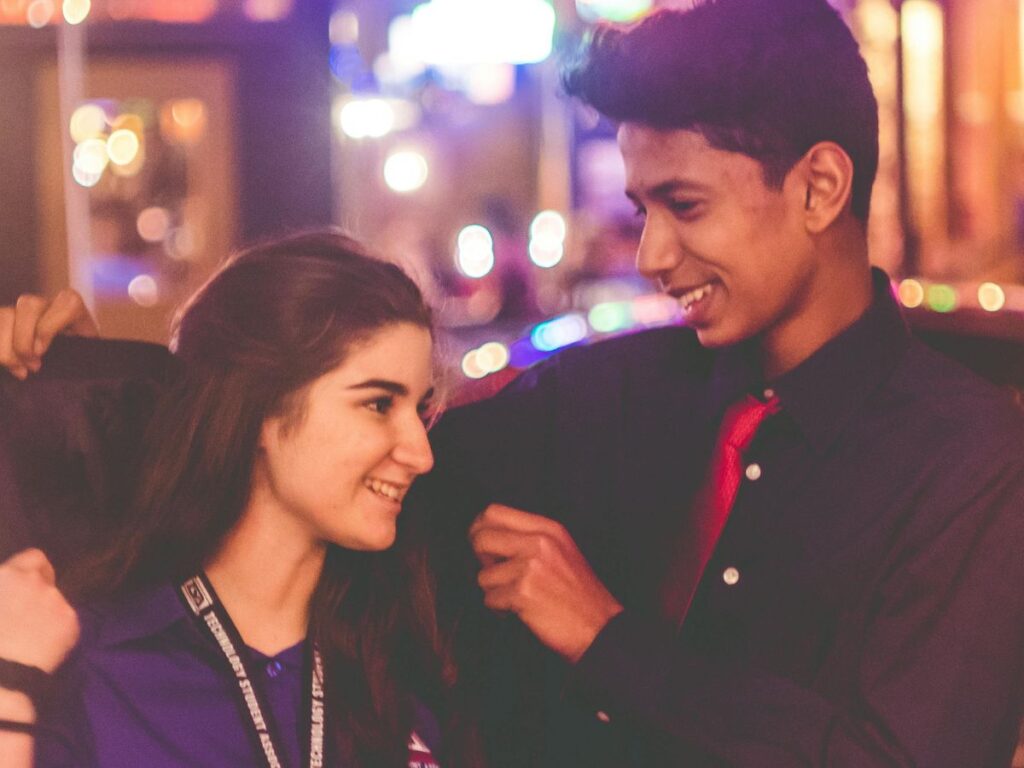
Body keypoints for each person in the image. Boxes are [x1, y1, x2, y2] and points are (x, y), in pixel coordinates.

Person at [5, 1, 1024, 765]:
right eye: (639, 206)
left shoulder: (970, 459)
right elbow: (306, 451)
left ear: (817, 186)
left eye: (685, 205)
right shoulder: (609, 399)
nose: (655, 252)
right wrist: (97, 376)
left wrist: (608, 642)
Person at [0, 231, 481, 768]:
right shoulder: (93, 664)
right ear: (257, 411)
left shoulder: (412, 655)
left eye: (421, 409)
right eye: (378, 403)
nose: (420, 452)